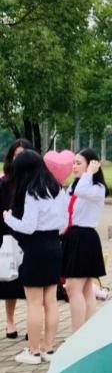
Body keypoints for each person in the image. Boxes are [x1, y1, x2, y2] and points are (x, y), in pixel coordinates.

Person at [3, 150, 66, 364]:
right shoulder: (58, 189)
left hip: (36, 248)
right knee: (51, 301)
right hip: (54, 245)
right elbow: (64, 223)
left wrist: (8, 218)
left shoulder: (32, 192)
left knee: (34, 303)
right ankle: (49, 348)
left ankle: (33, 351)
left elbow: (28, 227)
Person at [62, 149, 107, 332]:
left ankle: (77, 334)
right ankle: (86, 333)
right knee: (86, 288)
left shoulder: (97, 188)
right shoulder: (75, 185)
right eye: (73, 162)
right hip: (72, 236)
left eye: (79, 163)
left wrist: (89, 173)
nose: (74, 166)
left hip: (85, 237)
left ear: (91, 165)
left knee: (73, 288)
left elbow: (81, 191)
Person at [0, 139, 33, 338]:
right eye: (16, 155)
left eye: (23, 154)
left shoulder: (35, 183)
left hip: (30, 238)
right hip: (8, 236)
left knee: (31, 284)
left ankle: (32, 324)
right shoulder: (4, 183)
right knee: (9, 283)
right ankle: (10, 322)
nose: (19, 159)